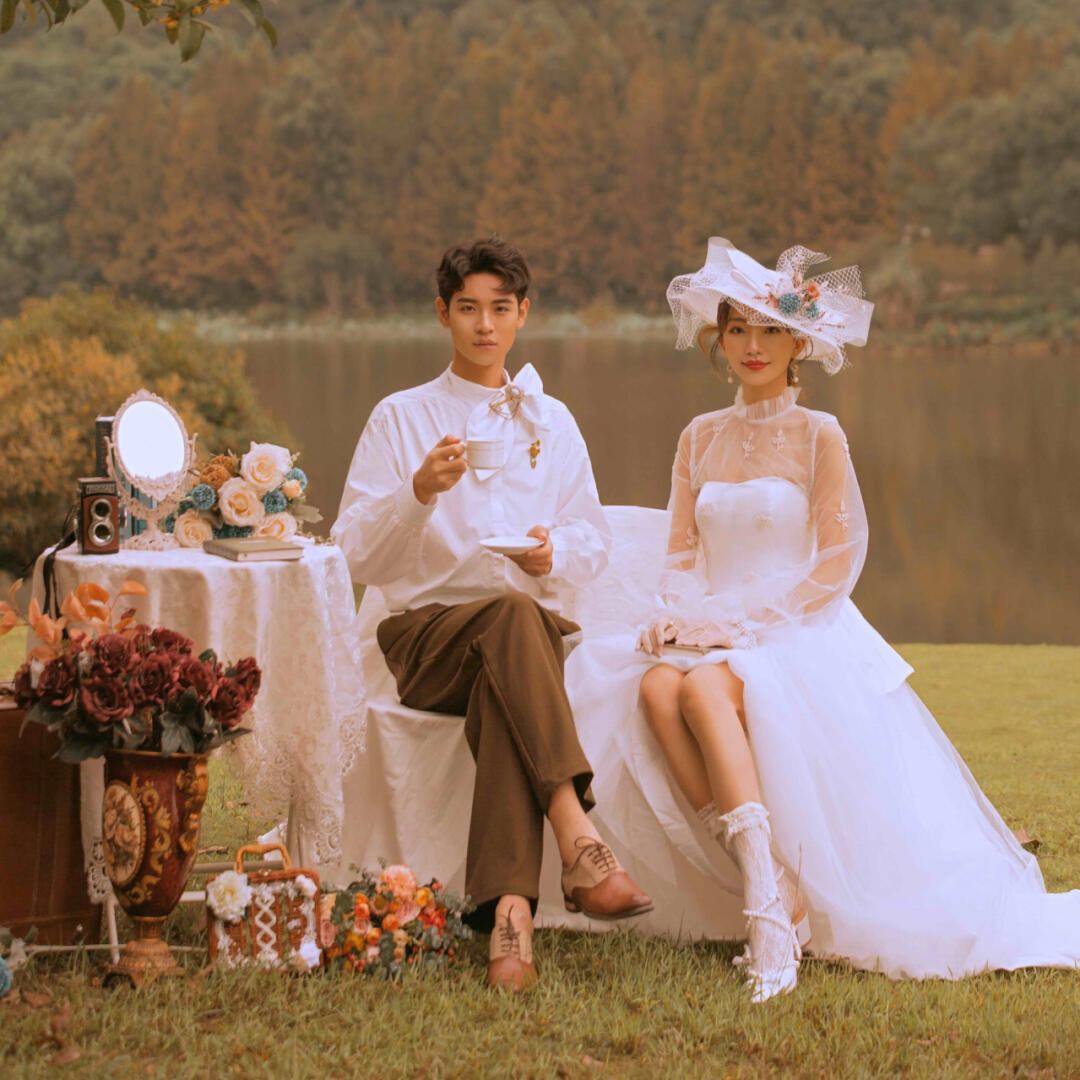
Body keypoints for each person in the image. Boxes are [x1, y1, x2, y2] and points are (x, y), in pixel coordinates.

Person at [564, 237, 1080, 1002]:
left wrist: (740, 626)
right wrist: (677, 615)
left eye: (770, 330)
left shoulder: (819, 435)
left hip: (795, 625)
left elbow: (837, 562)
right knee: (654, 687)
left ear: (798, 342)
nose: (752, 346)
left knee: (699, 690)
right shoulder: (698, 436)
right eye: (738, 329)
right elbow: (680, 553)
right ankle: (773, 881)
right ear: (719, 341)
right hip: (713, 627)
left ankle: (769, 918)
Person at [332, 237, 652, 992]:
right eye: (468, 309)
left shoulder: (552, 420)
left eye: (499, 309)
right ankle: (576, 833)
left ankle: (510, 919)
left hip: (522, 641)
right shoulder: (400, 418)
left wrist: (552, 553)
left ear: (522, 314)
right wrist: (417, 493)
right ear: (442, 314)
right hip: (423, 637)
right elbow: (350, 553)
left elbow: (591, 538)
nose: (484, 325)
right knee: (513, 619)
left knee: (511, 642)